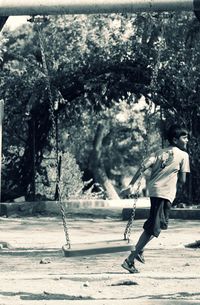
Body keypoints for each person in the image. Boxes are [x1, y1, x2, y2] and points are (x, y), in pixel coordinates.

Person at [121, 124, 190, 273]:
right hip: (165, 193)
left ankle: (139, 250)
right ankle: (130, 259)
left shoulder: (158, 152)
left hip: (155, 191)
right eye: (184, 137)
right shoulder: (184, 155)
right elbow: (183, 180)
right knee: (154, 227)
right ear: (175, 139)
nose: (187, 140)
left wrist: (131, 185)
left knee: (158, 225)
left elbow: (143, 166)